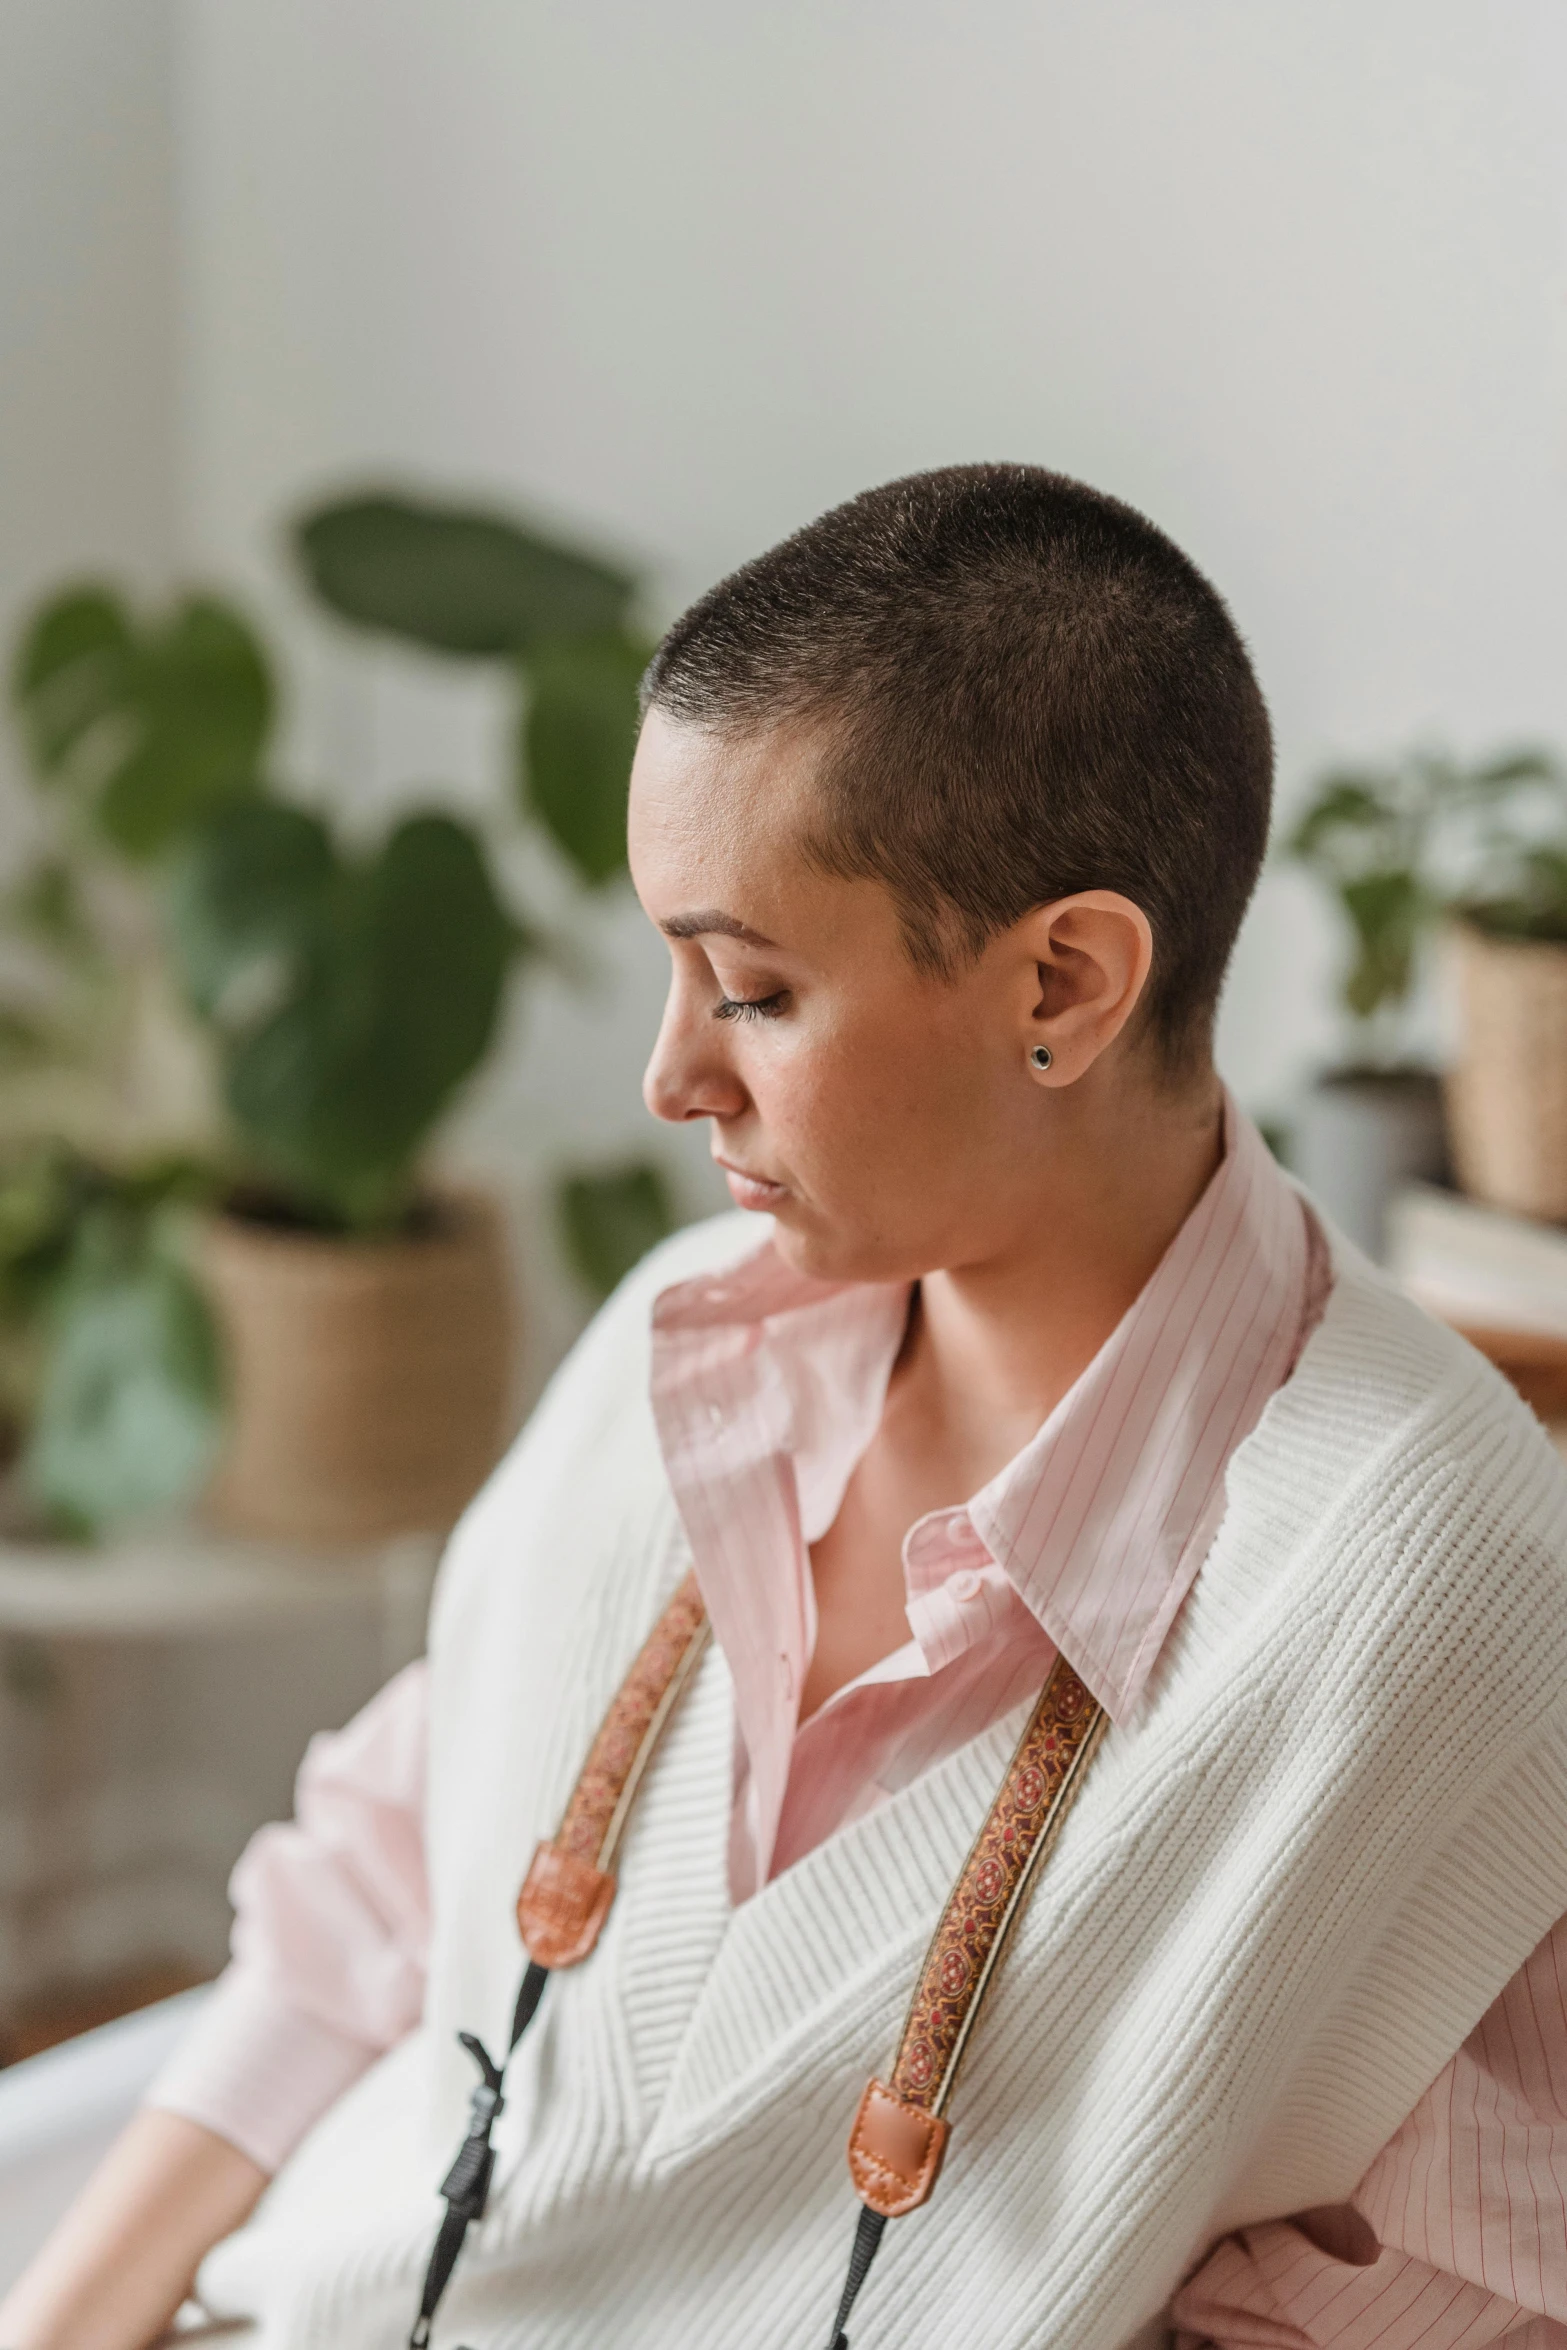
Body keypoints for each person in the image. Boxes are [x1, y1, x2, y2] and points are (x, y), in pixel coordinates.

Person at [6, 464, 1567, 2350]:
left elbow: (1460, 2285)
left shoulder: (1434, 1577)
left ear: (1060, 981)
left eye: (746, 989)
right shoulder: (681, 1341)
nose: (672, 1076)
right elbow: (377, 1887)